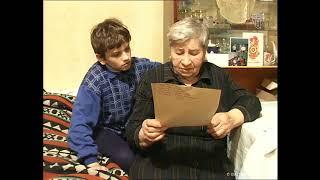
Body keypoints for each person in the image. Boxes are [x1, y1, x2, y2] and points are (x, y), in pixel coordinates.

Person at [125, 17, 262, 179]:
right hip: (162, 157)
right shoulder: (154, 77)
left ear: (204, 51)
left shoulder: (217, 76)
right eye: (179, 52)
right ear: (171, 50)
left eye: (194, 53)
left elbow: (251, 101)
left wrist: (231, 118)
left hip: (207, 160)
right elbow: (132, 126)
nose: (186, 61)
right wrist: (143, 134)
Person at [67, 18, 160, 173]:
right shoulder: (94, 82)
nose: (126, 57)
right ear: (101, 58)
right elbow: (79, 124)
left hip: (132, 127)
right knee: (128, 159)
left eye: (127, 49)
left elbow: (163, 69)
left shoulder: (139, 66)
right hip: (106, 130)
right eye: (117, 54)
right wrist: (90, 159)